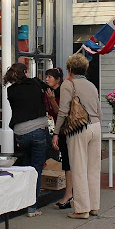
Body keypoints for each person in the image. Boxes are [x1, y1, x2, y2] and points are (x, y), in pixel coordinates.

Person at [52, 53, 103, 219]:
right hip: (96, 126)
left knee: (78, 169)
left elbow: (63, 111)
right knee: (93, 168)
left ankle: (82, 209)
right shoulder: (91, 85)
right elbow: (99, 111)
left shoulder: (68, 84)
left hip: (78, 128)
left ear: (70, 69)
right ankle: (94, 206)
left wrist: (56, 132)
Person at [5, 62, 49, 218]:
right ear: (25, 72)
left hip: (20, 132)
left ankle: (20, 203)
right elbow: (49, 89)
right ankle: (32, 208)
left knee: (26, 167)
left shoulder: (11, 90)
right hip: (38, 129)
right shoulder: (36, 83)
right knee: (36, 169)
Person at [45, 67, 73, 209]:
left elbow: (60, 112)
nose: (47, 79)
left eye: (50, 77)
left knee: (69, 163)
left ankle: (69, 196)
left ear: (58, 80)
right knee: (66, 163)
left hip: (66, 131)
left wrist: (51, 100)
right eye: (47, 76)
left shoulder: (62, 93)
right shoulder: (49, 93)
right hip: (59, 130)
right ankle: (70, 195)